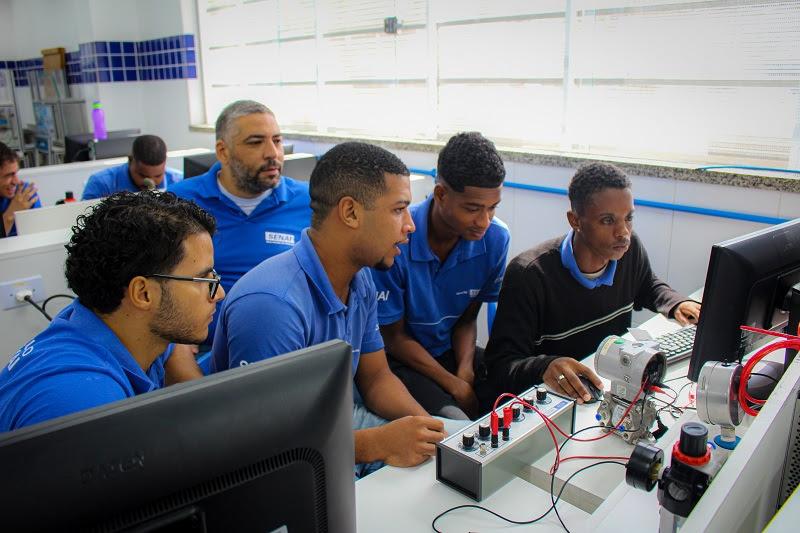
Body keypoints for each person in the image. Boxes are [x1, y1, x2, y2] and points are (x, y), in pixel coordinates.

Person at [211, 141, 449, 477]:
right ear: (350, 212)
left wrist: (430, 430)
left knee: (445, 447)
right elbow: (265, 440)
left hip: (330, 425)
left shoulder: (360, 280)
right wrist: (377, 443)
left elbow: (377, 377)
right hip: (273, 465)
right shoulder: (272, 306)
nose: (410, 225)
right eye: (398, 210)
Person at [0, 191, 225, 432]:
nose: (219, 293)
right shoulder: (84, 404)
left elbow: (171, 350)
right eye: (203, 279)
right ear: (143, 293)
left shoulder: (116, 324)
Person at [485, 162, 701, 402]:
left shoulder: (629, 251)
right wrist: (544, 366)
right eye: (608, 221)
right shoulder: (529, 275)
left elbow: (646, 285)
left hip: (607, 387)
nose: (624, 233)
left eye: (628, 218)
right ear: (575, 220)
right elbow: (500, 367)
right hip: (556, 400)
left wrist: (676, 304)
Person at [371, 132, 509, 420]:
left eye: (492, 208)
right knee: (458, 428)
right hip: (401, 361)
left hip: (451, 352)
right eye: (472, 209)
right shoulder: (396, 239)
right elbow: (394, 339)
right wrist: (454, 385)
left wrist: (465, 370)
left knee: (518, 398)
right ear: (441, 195)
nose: (484, 221)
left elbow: (468, 319)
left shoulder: (496, 239)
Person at [170, 100, 311, 343]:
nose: (273, 153)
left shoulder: (310, 202)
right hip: (206, 348)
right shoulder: (177, 202)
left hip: (292, 341)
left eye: (277, 141)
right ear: (223, 151)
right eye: (256, 142)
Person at [81, 134, 183, 200]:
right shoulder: (101, 183)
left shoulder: (179, 181)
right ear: (130, 161)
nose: (151, 182)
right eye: (143, 175)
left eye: (158, 176)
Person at [1, 141, 40, 237]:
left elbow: (40, 234)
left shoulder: (24, 194)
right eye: (8, 175)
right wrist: (12, 213)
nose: (16, 181)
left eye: (15, 173)